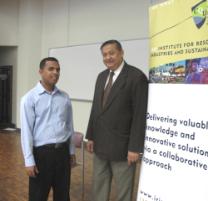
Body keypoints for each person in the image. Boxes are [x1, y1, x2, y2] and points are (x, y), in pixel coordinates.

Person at [86, 40, 148, 201]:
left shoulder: (136, 77)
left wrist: (135, 148)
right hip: (100, 145)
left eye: (111, 53)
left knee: (123, 194)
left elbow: (140, 115)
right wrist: (90, 136)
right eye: (104, 55)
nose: (108, 57)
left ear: (121, 53)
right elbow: (96, 109)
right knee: (99, 188)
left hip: (123, 150)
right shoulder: (101, 77)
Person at [20, 57, 76, 201]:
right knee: (38, 196)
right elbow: (26, 132)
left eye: (58, 70)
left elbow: (69, 126)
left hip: (62, 154)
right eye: (51, 69)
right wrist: (29, 160)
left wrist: (71, 152)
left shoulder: (64, 97)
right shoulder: (29, 98)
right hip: (41, 156)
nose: (55, 72)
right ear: (40, 71)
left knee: (63, 195)